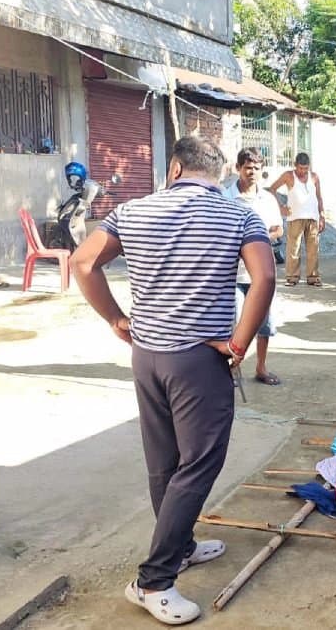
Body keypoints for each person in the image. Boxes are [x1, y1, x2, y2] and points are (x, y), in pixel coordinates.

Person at [71, 136, 275, 625]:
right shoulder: (238, 215)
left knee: (164, 461)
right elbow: (263, 278)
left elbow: (82, 262)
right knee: (199, 464)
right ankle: (153, 581)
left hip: (147, 355)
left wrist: (116, 320)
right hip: (198, 360)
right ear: (219, 174)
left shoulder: (132, 211)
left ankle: (180, 546)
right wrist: (239, 344)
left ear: (174, 169)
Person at [224, 148, 284, 385]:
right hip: (233, 273)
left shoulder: (268, 199)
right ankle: (231, 369)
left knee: (264, 323)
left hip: (261, 274)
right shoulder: (225, 197)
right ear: (238, 168)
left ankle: (260, 367)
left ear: (262, 171)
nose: (252, 172)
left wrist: (256, 241)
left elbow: (278, 229)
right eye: (247, 167)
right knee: (235, 323)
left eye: (256, 168)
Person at [268, 151, 325, 286]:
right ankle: (292, 278)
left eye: (306, 168)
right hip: (295, 217)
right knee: (293, 249)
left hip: (313, 218)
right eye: (300, 168)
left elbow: (319, 198)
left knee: (313, 249)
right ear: (295, 165)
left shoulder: (315, 177)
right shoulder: (288, 176)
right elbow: (272, 189)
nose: (303, 171)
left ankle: (313, 277)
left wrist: (322, 216)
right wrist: (281, 207)